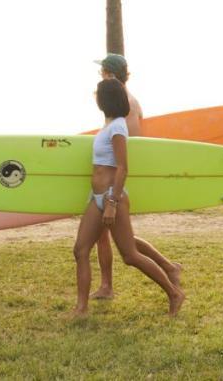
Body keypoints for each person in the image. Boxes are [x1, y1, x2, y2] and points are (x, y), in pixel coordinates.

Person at [73, 78, 183, 317]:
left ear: (107, 98)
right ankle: (81, 308)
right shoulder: (109, 124)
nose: (95, 97)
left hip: (114, 197)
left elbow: (122, 167)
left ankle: (174, 293)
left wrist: (111, 203)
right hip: (96, 197)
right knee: (80, 250)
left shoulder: (118, 127)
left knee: (130, 255)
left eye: (98, 94)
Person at [90, 53, 147, 301]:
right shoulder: (123, 101)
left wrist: (113, 192)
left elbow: (128, 144)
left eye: (101, 71)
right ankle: (106, 286)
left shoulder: (124, 103)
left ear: (108, 73)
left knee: (122, 242)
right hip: (116, 176)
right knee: (119, 237)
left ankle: (108, 286)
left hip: (117, 179)